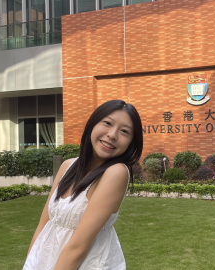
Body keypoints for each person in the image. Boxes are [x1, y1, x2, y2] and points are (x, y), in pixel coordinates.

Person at [23, 100, 143, 270]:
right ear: (93, 124)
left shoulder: (116, 173)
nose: (112, 134)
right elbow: (42, 228)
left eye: (124, 131)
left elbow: (78, 246)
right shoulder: (68, 166)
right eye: (107, 123)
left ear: (131, 142)